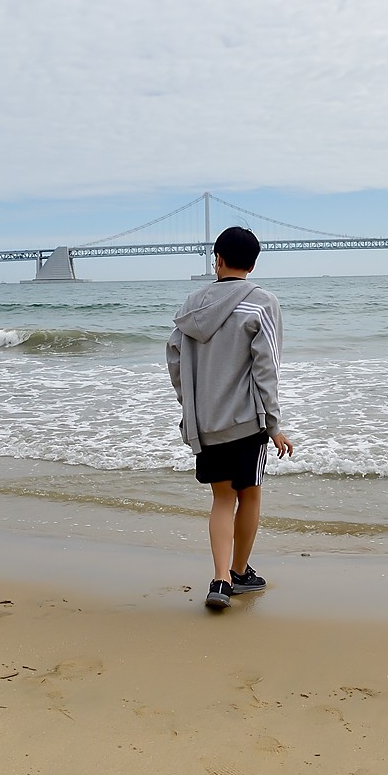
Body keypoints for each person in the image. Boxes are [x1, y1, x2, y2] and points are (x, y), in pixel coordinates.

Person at [167, 226, 292, 611]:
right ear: (252, 265)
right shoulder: (262, 302)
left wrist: (191, 405)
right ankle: (239, 573)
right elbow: (266, 367)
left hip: (206, 423)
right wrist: (274, 425)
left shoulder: (192, 305)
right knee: (249, 494)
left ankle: (219, 580)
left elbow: (174, 359)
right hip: (246, 421)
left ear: (217, 260)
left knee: (222, 500)